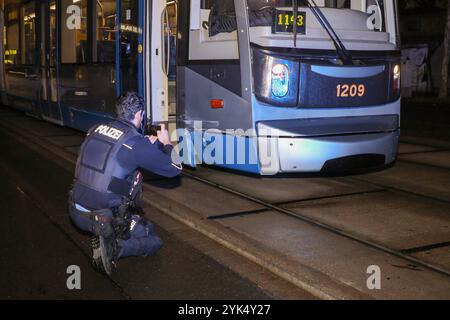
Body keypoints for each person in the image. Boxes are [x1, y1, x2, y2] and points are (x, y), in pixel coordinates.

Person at [68, 92, 182, 275]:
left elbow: (119, 150)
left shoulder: (95, 128)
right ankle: (115, 246)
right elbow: (175, 168)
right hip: (104, 210)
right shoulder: (136, 144)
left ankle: (113, 229)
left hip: (76, 205)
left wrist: (146, 143)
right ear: (139, 115)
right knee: (154, 241)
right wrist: (166, 143)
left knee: (145, 224)